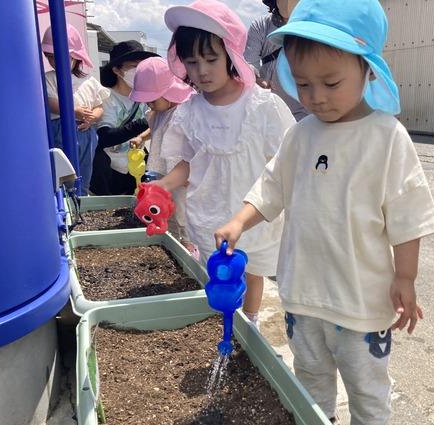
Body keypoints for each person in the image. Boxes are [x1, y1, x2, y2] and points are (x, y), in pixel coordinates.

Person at [214, 0, 434, 425]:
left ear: (369, 71)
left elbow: (408, 214)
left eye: (331, 83)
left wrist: (406, 277)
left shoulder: (386, 137)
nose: (316, 96)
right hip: (304, 296)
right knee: (310, 378)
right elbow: (271, 187)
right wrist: (239, 221)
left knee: (367, 386)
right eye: (303, 84)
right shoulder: (301, 136)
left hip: (361, 303)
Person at [156, 0, 295, 328]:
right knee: (218, 274)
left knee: (252, 268)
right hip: (210, 210)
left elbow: (287, 159)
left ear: (231, 55)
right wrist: (163, 185)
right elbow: (187, 163)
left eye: (211, 59)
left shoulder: (262, 105)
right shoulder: (189, 112)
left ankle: (251, 322)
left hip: (253, 213)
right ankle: (223, 323)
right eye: (191, 61)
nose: (201, 70)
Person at [128, 57, 199, 257]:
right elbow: (155, 129)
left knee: (183, 213)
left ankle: (188, 249)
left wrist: (187, 177)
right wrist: (141, 137)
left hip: (182, 176)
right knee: (167, 211)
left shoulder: (185, 111)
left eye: (152, 99)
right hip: (164, 172)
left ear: (168, 92)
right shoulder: (158, 112)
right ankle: (172, 242)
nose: (150, 104)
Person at [42, 25, 108, 195]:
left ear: (76, 56)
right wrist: (73, 111)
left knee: (84, 170)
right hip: (60, 127)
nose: (54, 61)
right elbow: (50, 102)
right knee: (63, 171)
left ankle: (82, 196)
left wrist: (92, 117)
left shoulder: (88, 80)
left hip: (86, 131)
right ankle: (64, 199)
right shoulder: (49, 78)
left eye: (60, 56)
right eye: (49, 57)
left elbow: (99, 105)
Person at [90, 41, 158, 195]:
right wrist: (144, 122)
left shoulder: (147, 98)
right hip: (111, 172)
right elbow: (105, 137)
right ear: (117, 70)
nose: (139, 71)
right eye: (134, 66)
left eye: (142, 67)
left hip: (138, 168)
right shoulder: (106, 97)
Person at [244, 0, 307, 120]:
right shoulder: (261, 25)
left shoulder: (313, 27)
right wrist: (257, 80)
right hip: (271, 109)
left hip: (306, 110)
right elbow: (249, 63)